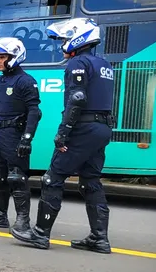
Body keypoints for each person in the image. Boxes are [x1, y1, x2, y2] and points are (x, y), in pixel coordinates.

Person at [11, 18, 116, 253]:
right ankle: (99, 238)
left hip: (83, 128)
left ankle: (40, 234)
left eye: (67, 39)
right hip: (102, 128)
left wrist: (64, 133)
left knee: (52, 178)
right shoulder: (105, 64)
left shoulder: (77, 63)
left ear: (79, 38)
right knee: (91, 181)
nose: (63, 44)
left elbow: (77, 99)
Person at [0, 37, 41, 233]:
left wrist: (27, 139)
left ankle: (22, 221)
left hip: (14, 135)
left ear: (16, 56)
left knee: (17, 178)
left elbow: (34, 112)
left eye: (3, 57)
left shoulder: (26, 81)